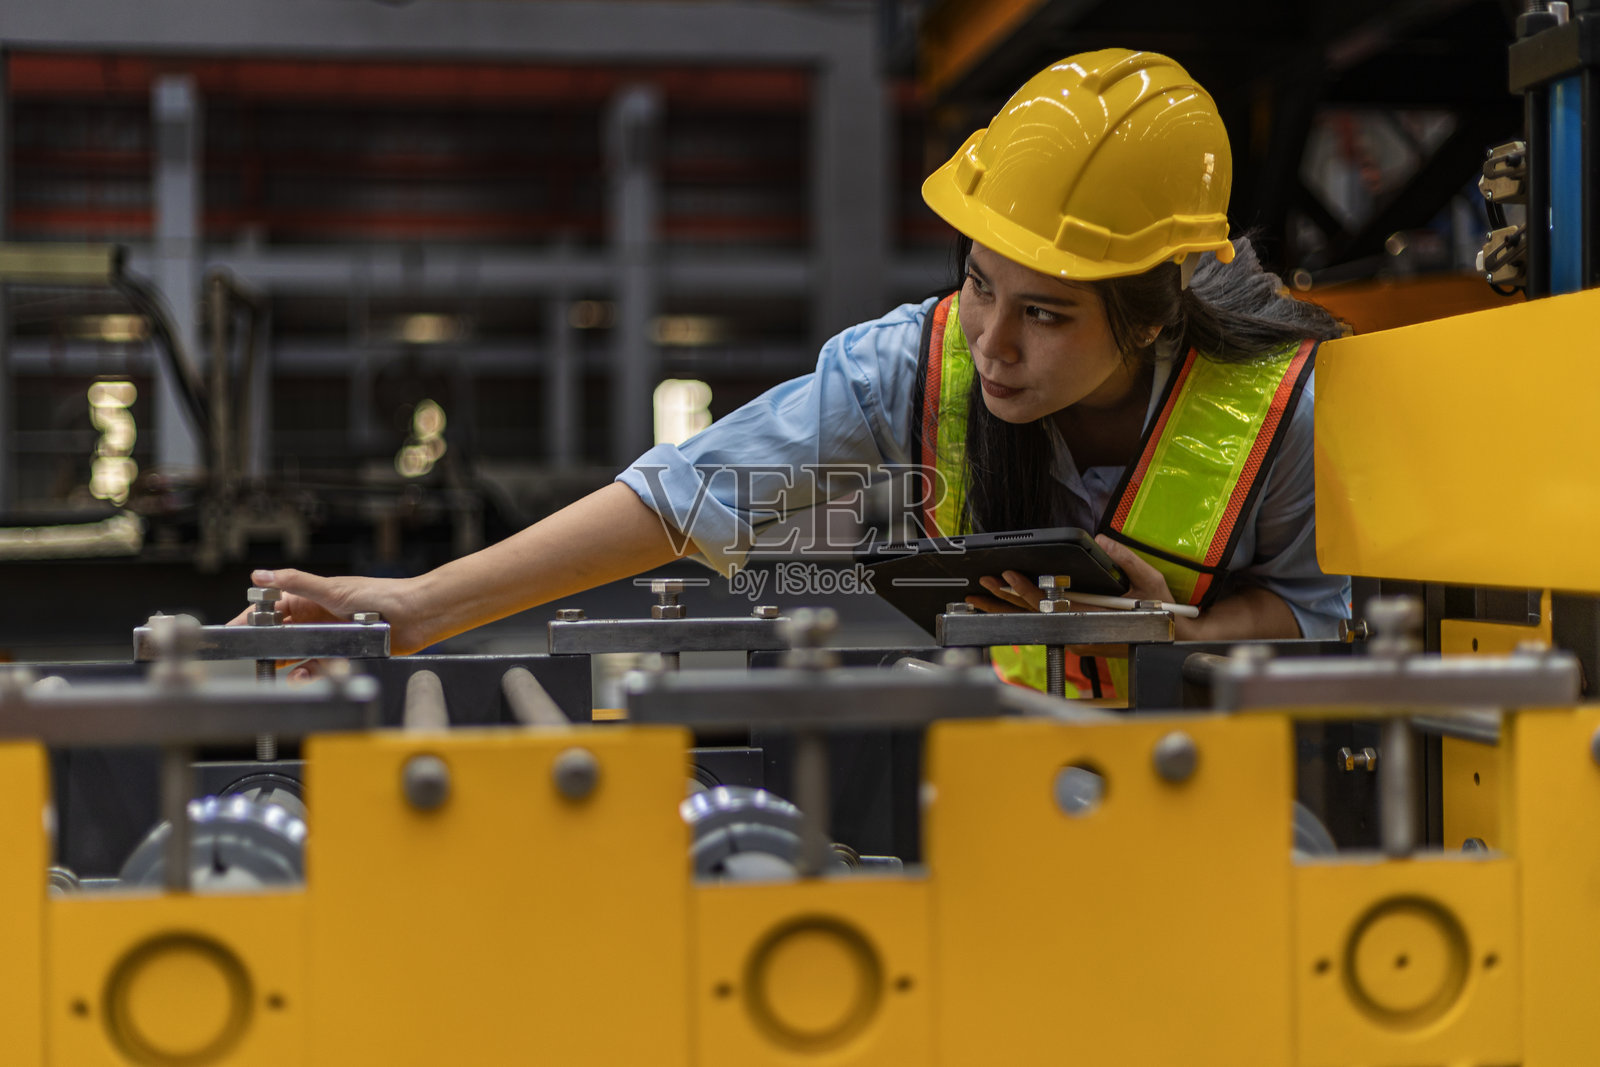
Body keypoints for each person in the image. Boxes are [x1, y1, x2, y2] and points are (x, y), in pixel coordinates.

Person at [246, 49, 1350, 698]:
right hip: (1007, 770)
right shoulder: (905, 369)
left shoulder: (1277, 412)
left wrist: (1173, 636)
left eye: (1047, 315)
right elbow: (686, 495)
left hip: (1220, 784)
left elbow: (1313, 610)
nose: (992, 341)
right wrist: (420, 608)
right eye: (979, 284)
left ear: (1150, 316)